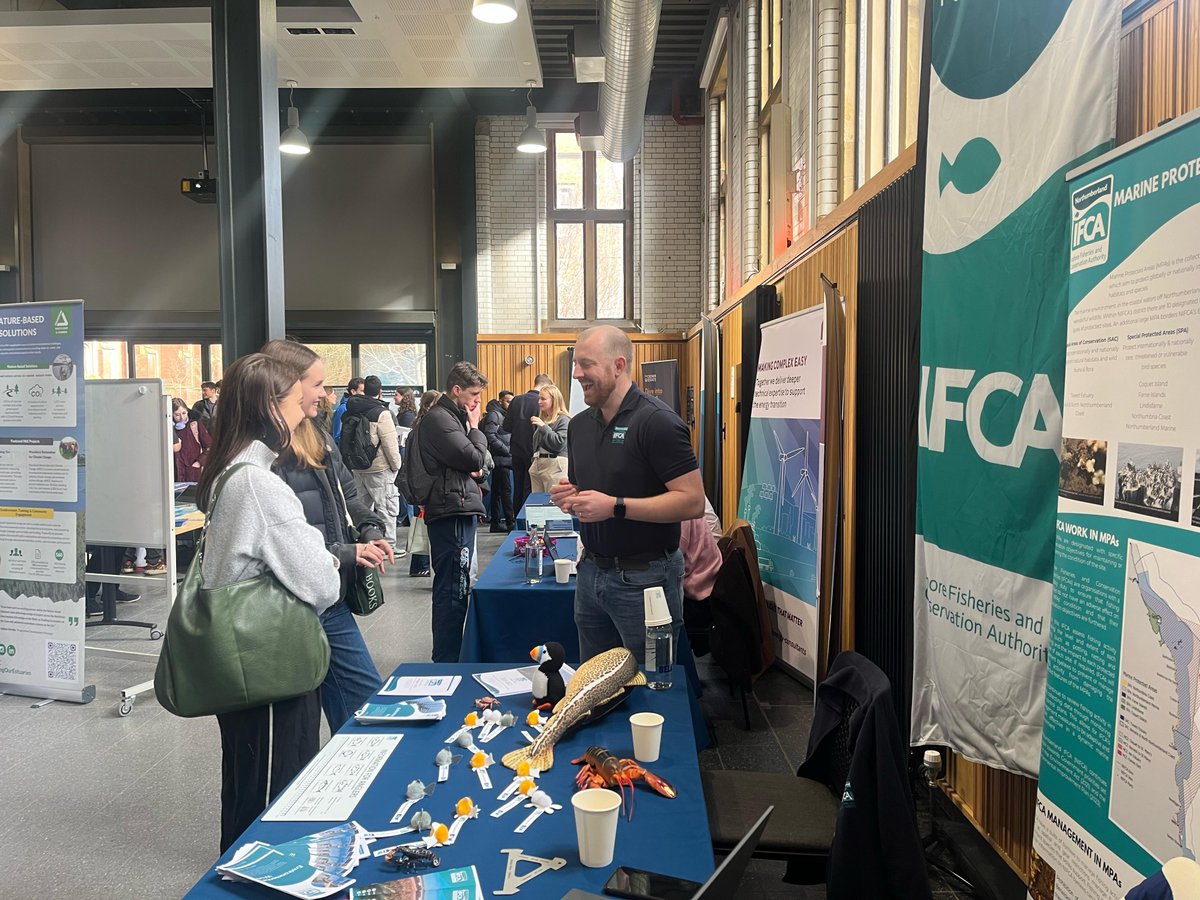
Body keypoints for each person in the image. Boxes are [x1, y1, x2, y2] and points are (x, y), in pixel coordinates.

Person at [194, 352, 341, 852]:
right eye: (296, 397)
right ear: (269, 408)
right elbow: (322, 583)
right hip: (270, 667)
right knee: (274, 802)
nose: (308, 401)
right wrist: (331, 558)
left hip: (242, 664)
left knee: (245, 789)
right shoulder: (260, 485)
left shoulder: (229, 473)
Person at [262, 340, 397, 731]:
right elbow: (283, 543)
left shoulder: (316, 435)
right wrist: (347, 552)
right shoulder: (263, 457)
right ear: (287, 385)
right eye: (318, 384)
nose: (325, 394)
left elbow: (347, 495)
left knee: (365, 708)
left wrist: (370, 529)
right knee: (296, 733)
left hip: (329, 596)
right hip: (291, 605)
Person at [550, 326, 704, 663]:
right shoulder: (579, 426)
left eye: (586, 364)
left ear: (619, 366)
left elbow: (692, 501)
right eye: (576, 364)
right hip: (590, 574)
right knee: (596, 685)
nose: (576, 374)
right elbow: (588, 490)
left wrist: (615, 507)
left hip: (646, 578)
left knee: (654, 687)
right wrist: (571, 496)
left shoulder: (658, 422)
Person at [415, 363, 489, 662]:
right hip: (451, 512)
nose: (477, 403)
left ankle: (451, 656)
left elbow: (479, 470)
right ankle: (446, 660)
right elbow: (474, 457)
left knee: (457, 588)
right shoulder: (441, 419)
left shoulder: (450, 417)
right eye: (473, 395)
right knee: (452, 591)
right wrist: (475, 428)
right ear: (456, 390)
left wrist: (476, 466)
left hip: (456, 507)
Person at [342, 376, 402, 548]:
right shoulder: (382, 413)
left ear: (364, 390)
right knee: (386, 509)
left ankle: (363, 543)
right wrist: (396, 466)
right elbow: (390, 444)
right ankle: (388, 546)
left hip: (358, 467)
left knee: (361, 509)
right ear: (380, 391)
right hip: (379, 468)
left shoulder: (352, 409)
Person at [504, 373, 554, 513]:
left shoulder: (516, 400)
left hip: (516, 451)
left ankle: (515, 523)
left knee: (518, 488)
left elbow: (506, 427)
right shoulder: (543, 403)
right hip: (535, 452)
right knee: (531, 488)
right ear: (545, 386)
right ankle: (528, 521)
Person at [482, 391, 514, 533]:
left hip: (502, 458)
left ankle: (496, 521)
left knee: (498, 491)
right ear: (501, 401)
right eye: (508, 401)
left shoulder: (502, 415)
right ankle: (510, 522)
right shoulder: (495, 415)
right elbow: (490, 436)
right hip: (501, 458)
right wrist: (507, 450)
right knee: (505, 491)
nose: (510, 404)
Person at [528, 384, 570, 492]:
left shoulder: (563, 419)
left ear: (554, 400)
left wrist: (543, 427)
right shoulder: (544, 419)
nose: (539, 402)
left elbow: (559, 443)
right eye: (539, 399)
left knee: (554, 504)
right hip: (538, 464)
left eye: (543, 399)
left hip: (555, 465)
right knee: (538, 505)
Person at [172, 397, 211, 483]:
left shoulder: (195, 425)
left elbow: (209, 447)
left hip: (193, 474)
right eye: (177, 415)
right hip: (174, 474)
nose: (182, 417)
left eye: (184, 413)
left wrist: (199, 462)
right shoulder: (168, 429)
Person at [332, 377, 365, 444]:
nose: (364, 394)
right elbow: (337, 434)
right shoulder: (343, 408)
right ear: (353, 391)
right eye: (362, 391)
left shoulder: (362, 407)